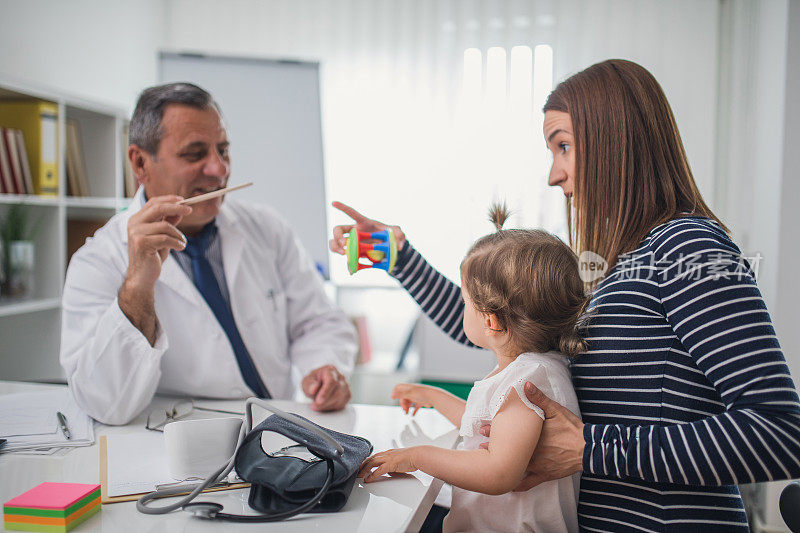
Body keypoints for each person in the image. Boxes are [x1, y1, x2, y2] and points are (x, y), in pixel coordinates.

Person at [333, 59, 800, 531]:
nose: (554, 175)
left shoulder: (687, 248)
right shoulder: (615, 266)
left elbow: (779, 435)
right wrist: (399, 258)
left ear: (616, 143)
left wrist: (589, 449)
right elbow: (501, 324)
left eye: (564, 146)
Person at [61, 82, 357, 425]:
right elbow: (105, 405)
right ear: (140, 162)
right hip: (184, 445)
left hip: (284, 430)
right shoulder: (97, 260)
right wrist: (137, 287)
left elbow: (318, 321)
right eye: (195, 153)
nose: (219, 169)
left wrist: (324, 367)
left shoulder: (266, 228)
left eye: (223, 151)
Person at [358, 204, 585, 532]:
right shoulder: (534, 368)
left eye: (465, 301)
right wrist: (433, 396)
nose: (461, 306)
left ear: (490, 321)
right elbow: (484, 426)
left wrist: (417, 457)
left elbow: (498, 472)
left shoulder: (529, 380)